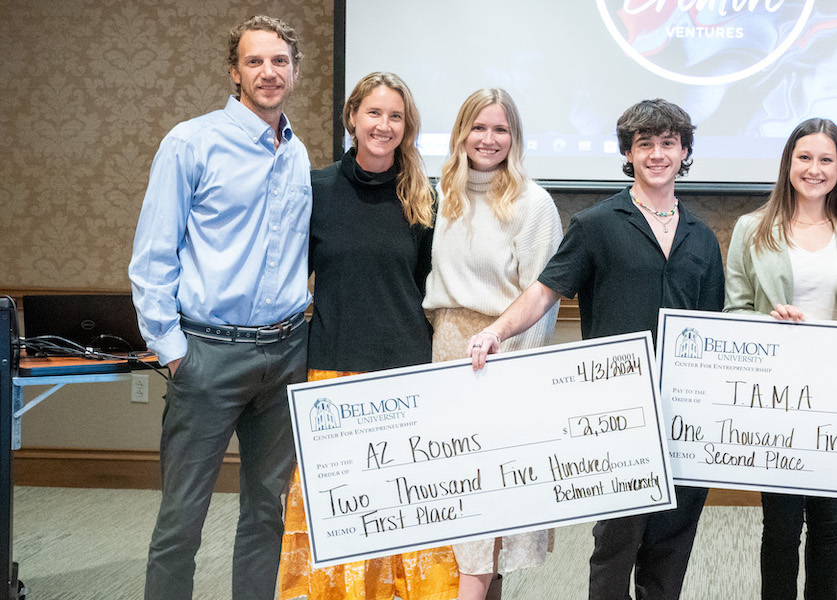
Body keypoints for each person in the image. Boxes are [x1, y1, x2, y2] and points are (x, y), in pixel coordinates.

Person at [465, 98, 723, 600]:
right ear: (628, 153)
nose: (656, 154)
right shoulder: (597, 224)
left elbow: (712, 330)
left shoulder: (703, 238)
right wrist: (496, 330)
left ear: (684, 151)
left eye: (668, 143)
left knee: (672, 544)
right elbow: (545, 290)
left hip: (685, 417)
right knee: (616, 543)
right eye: (644, 144)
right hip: (617, 413)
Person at [128, 15, 311, 600]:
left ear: (294, 70)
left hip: (285, 353)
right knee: (181, 523)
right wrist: (174, 351)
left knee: (266, 516)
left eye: (279, 61)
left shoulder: (298, 153)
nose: (268, 72)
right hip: (207, 354)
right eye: (255, 61)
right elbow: (153, 255)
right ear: (234, 72)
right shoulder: (191, 142)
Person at [274, 72, 458, 600]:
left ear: (408, 127)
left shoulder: (425, 200)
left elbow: (430, 288)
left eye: (395, 116)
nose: (383, 125)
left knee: (403, 506)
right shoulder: (316, 189)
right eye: (373, 113)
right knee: (336, 512)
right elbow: (290, 275)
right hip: (333, 368)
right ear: (352, 117)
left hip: (406, 371)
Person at [724, 117, 837, 600]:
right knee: (779, 525)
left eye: (826, 159)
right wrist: (768, 322)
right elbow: (733, 313)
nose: (814, 169)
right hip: (774, 398)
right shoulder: (750, 229)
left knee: (828, 523)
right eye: (804, 158)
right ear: (788, 163)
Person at [422, 87, 564, 599]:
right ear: (461, 132)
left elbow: (541, 298)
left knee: (489, 496)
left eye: (500, 129)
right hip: (446, 349)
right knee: (456, 494)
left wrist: (512, 367)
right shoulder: (440, 194)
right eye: (477, 127)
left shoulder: (533, 203)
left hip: (502, 354)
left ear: (515, 137)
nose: (488, 138)